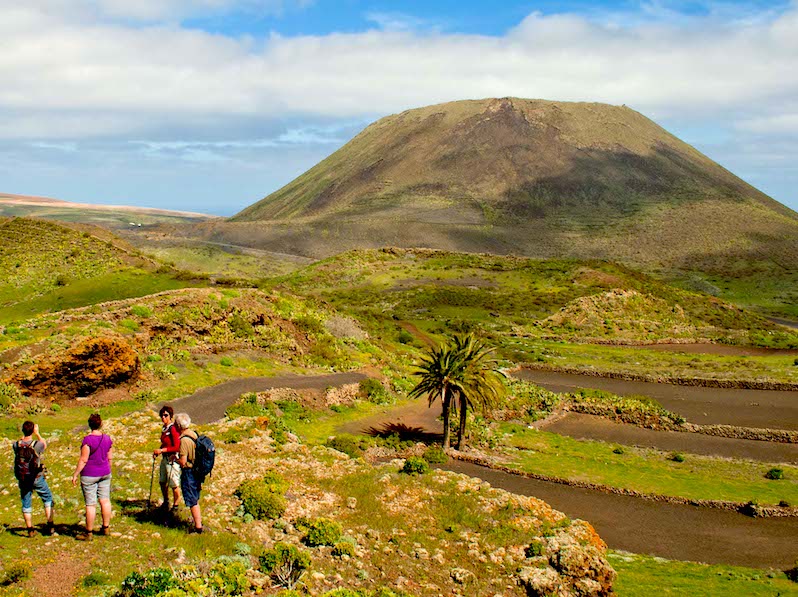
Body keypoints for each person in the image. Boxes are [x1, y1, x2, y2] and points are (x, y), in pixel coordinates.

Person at [72, 413, 113, 541]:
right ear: (100, 424)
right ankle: (105, 527)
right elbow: (109, 457)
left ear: (89, 425)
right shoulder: (107, 438)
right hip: (105, 472)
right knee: (105, 500)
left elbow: (84, 459)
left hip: (90, 474)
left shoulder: (87, 440)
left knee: (91, 504)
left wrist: (75, 473)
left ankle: (88, 532)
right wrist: (107, 469)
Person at [13, 420, 54, 537]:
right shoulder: (37, 445)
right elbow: (44, 444)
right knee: (47, 498)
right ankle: (50, 525)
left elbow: (20, 443)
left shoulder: (16, 445)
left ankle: (30, 529)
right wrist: (38, 433)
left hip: (23, 478)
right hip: (36, 476)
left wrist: (23, 436)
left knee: (26, 502)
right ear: (32, 430)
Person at [175, 412, 203, 534]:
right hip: (197, 471)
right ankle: (198, 524)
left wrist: (174, 459)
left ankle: (198, 527)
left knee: (192, 500)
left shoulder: (184, 440)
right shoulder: (193, 434)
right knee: (195, 497)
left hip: (189, 472)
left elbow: (183, 461)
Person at [153, 405, 181, 513]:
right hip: (165, 458)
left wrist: (162, 450)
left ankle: (176, 505)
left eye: (166, 415)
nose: (163, 417)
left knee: (174, 483)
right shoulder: (164, 429)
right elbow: (165, 443)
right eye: (162, 415)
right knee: (162, 481)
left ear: (170, 416)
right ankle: (166, 501)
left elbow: (176, 446)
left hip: (172, 459)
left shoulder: (173, 429)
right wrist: (159, 451)